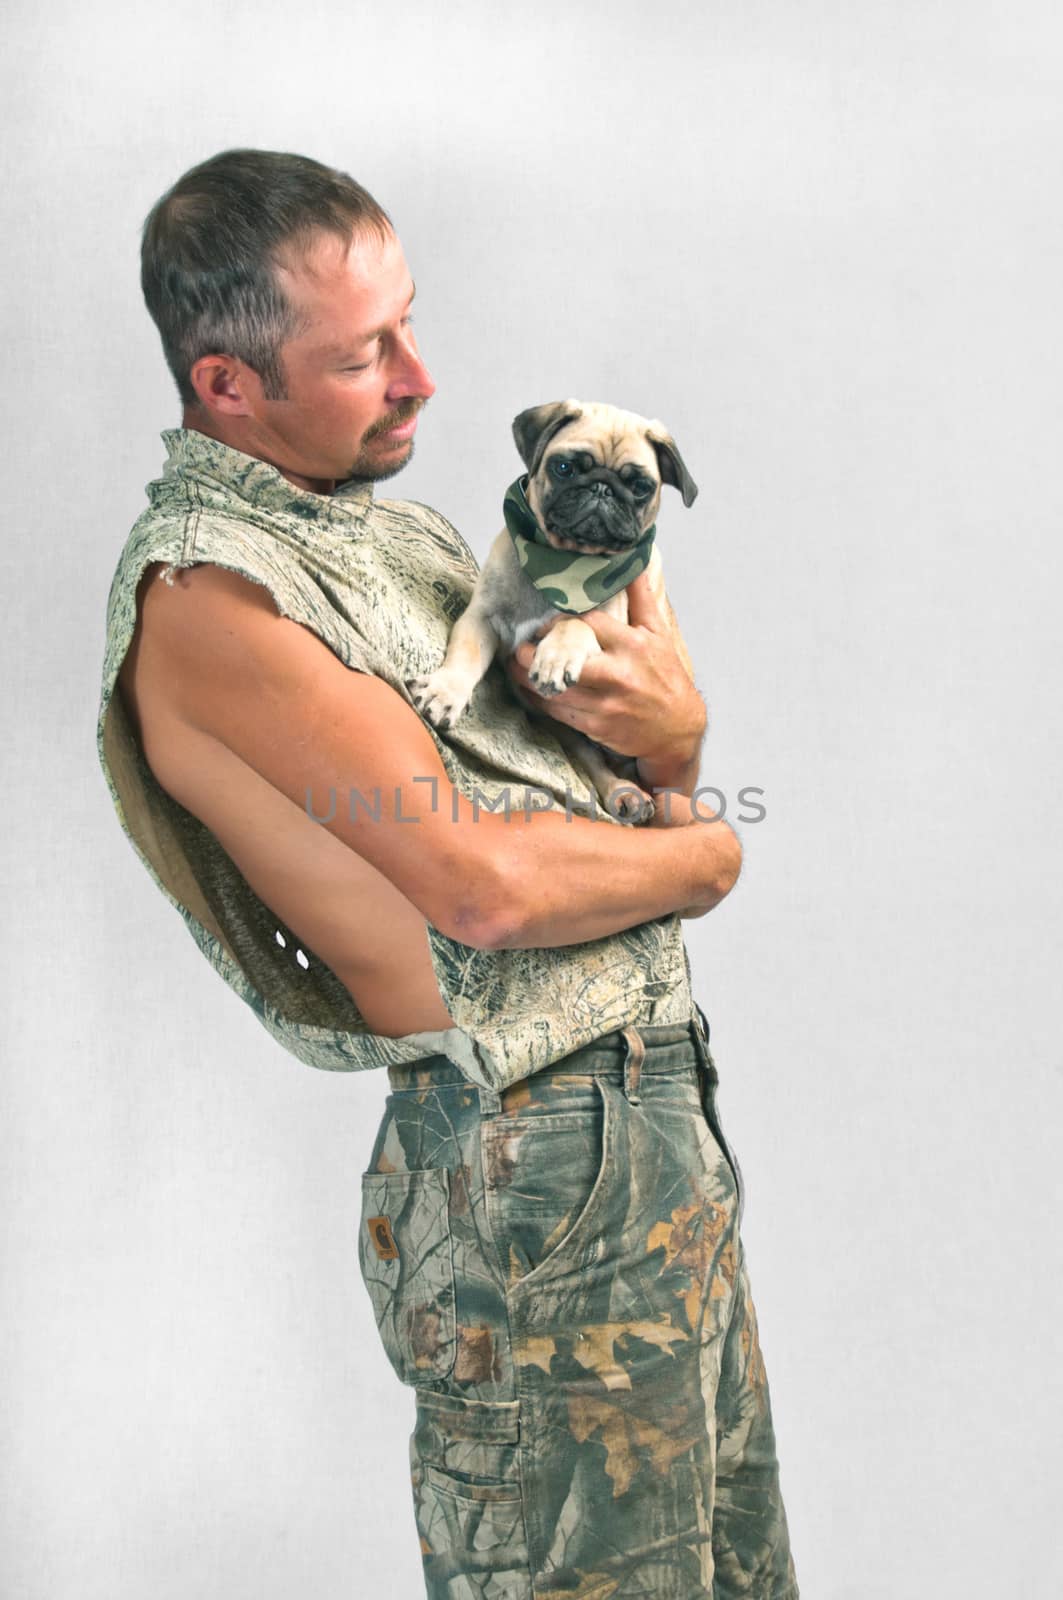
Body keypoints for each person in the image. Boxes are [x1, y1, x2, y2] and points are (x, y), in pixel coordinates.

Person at [96, 147, 799, 1598]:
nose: (422, 378)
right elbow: (483, 887)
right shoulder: (217, 596)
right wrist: (710, 848)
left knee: (726, 1575)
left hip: (641, 1122)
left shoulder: (402, 540)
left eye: (410, 325)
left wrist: (680, 748)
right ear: (229, 385)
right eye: (365, 354)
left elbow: (607, 785)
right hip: (527, 1157)